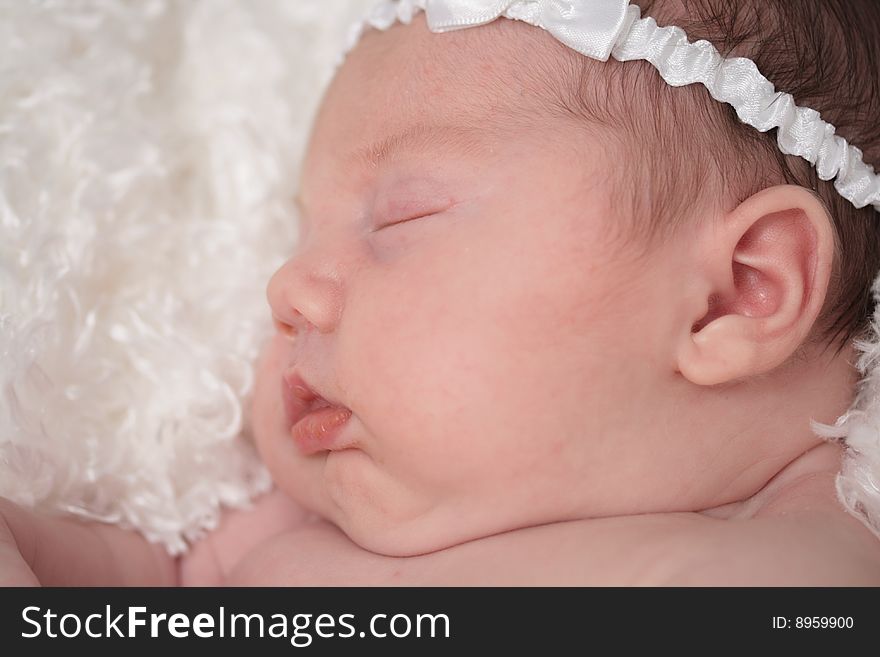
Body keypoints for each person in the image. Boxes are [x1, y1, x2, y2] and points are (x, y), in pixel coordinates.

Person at [4, 0, 880, 586]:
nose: (287, 286)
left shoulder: (813, 565)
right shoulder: (264, 538)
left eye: (399, 218)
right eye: (301, 230)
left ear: (736, 293)